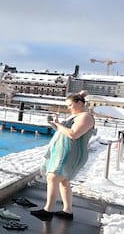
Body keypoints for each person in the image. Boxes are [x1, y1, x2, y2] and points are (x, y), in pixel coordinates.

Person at [31, 91, 96, 221]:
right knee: (64, 182)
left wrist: (59, 125)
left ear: (79, 103)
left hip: (71, 154)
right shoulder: (76, 116)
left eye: (70, 105)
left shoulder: (85, 117)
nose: (68, 108)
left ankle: (48, 211)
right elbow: (64, 133)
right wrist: (55, 125)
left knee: (53, 178)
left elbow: (73, 134)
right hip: (66, 153)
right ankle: (67, 211)